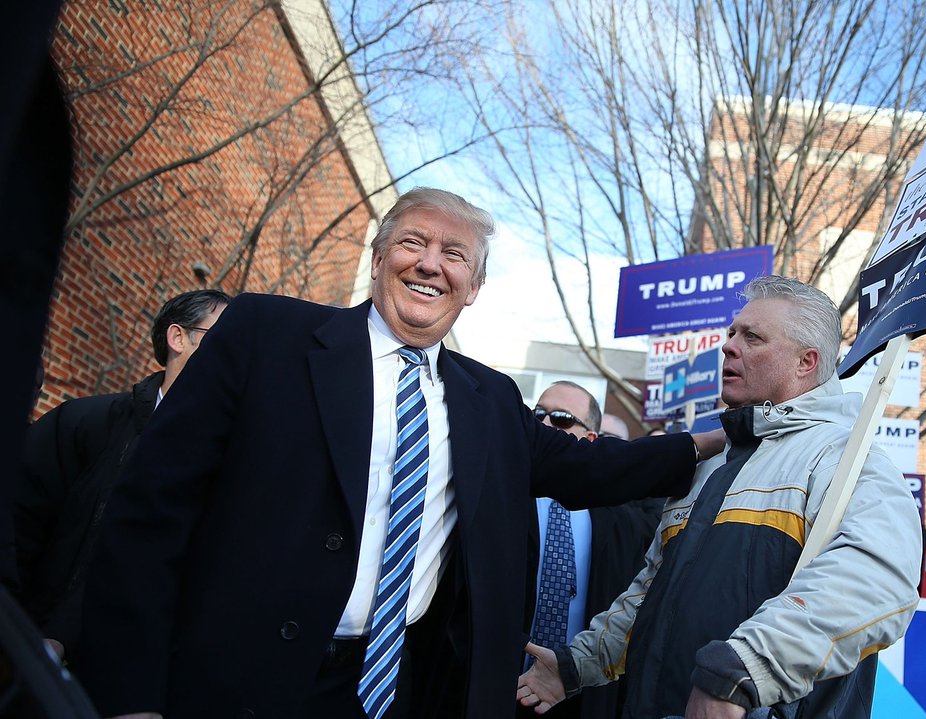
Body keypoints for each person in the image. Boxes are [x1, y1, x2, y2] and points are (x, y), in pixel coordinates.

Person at [76, 188, 723, 719]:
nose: (430, 263)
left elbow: (593, 466)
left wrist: (721, 433)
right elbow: (148, 514)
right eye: (413, 241)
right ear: (381, 253)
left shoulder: (489, 400)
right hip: (229, 682)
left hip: (395, 692)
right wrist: (130, 697)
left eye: (454, 253)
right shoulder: (265, 335)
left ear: (473, 286)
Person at [517, 276, 922, 719]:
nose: (729, 346)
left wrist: (743, 671)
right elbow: (649, 592)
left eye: (753, 337)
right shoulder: (711, 464)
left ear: (806, 362)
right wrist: (581, 664)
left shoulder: (844, 461)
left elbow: (876, 582)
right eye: (732, 333)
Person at [13, 289, 230, 661]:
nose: (233, 354)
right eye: (222, 339)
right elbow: (17, 528)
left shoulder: (228, 461)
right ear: (178, 338)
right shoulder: (85, 425)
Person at [525, 383, 660, 719]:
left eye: (560, 419)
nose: (543, 425)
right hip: (497, 687)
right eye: (536, 415)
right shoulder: (502, 498)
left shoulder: (623, 519)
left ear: (590, 441)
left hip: (582, 695)